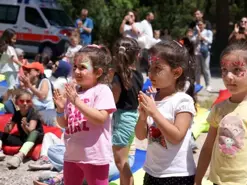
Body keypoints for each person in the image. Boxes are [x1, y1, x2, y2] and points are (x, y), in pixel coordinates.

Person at [194, 43, 247, 185]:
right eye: (224, 70)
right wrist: (198, 180)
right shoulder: (218, 109)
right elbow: (207, 147)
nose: (228, 76)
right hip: (217, 181)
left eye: (237, 70)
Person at [135, 40, 197, 185]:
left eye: (158, 68)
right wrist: (143, 117)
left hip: (177, 174)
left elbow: (176, 136)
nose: (151, 73)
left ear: (176, 72)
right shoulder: (152, 98)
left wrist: (154, 112)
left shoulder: (183, 101)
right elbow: (140, 135)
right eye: (150, 68)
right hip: (151, 171)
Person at [53, 45, 116, 185]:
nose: (76, 71)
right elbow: (64, 123)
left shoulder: (102, 90)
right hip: (72, 154)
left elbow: (100, 118)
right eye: (75, 66)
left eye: (82, 67)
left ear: (98, 72)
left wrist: (77, 101)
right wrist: (60, 109)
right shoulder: (73, 92)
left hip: (95, 156)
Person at [110, 37, 143, 185]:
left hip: (122, 119)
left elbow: (113, 101)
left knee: (121, 162)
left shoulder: (119, 77)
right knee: (124, 161)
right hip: (132, 117)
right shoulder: (138, 75)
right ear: (137, 55)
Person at [0, 89, 44, 168]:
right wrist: (7, 126)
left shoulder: (33, 113)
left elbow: (31, 130)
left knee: (35, 132)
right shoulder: (17, 114)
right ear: (17, 102)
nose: (25, 103)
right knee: (1, 133)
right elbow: (8, 130)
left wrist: (24, 126)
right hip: (23, 138)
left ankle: (19, 156)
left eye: (28, 101)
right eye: (22, 101)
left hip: (35, 138)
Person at [0, 29, 23, 100]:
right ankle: (16, 104)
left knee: (12, 88)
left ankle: (5, 101)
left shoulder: (7, 48)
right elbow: (13, 58)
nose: (15, 41)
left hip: (11, 70)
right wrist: (21, 64)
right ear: (8, 38)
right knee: (13, 88)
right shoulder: (9, 48)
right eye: (13, 39)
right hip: (10, 70)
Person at [191, 20, 213, 92]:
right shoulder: (195, 32)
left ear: (204, 25)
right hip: (197, 53)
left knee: (206, 69)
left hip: (205, 53)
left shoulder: (208, 32)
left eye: (201, 24)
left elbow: (210, 41)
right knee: (197, 70)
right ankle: (197, 85)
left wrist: (202, 37)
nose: (200, 26)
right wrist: (198, 35)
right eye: (198, 24)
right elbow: (192, 40)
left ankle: (208, 85)